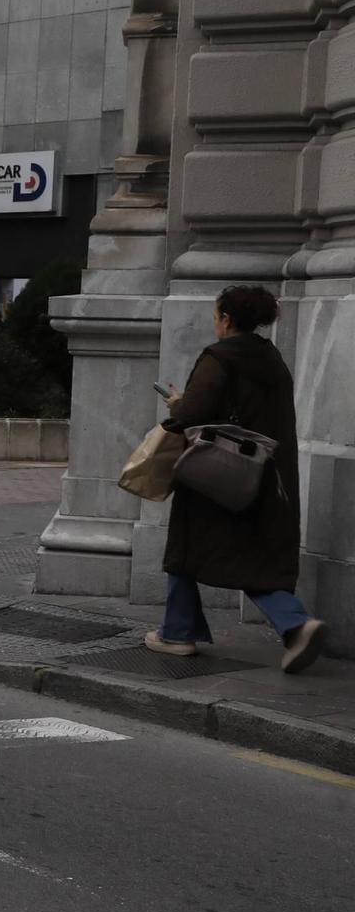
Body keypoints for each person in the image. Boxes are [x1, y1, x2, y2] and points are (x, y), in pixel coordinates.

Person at [147, 284, 327, 671]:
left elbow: (192, 414)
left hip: (218, 473)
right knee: (252, 555)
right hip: (266, 477)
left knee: (186, 544)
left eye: (216, 316)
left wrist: (178, 404)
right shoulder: (271, 359)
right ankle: (294, 625)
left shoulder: (219, 357)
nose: (215, 322)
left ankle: (178, 634)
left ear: (227, 319)